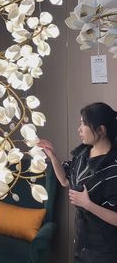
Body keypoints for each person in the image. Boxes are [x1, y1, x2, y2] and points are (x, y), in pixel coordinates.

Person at [38, 102, 117, 263]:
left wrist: (88, 204)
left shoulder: (113, 166)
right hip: (82, 241)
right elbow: (65, 181)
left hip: (105, 248)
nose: (79, 129)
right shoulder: (82, 154)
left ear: (101, 130)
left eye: (84, 124)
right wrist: (53, 156)